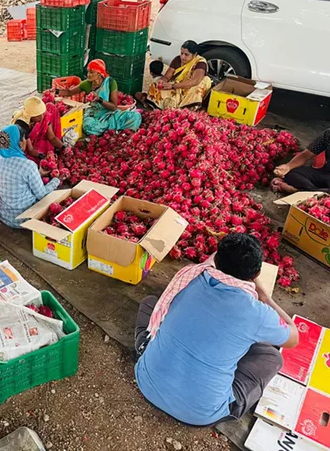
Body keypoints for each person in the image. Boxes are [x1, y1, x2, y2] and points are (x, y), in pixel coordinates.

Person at [134, 233, 299, 426]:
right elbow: (293, 338)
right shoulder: (258, 313)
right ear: (256, 275)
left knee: (151, 304)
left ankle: (144, 350)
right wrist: (265, 297)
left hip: (146, 381)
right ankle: (226, 405)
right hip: (198, 414)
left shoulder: (189, 277)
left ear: (217, 260)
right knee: (272, 357)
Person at [0, 124, 60, 228]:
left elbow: (17, 179)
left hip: (4, 215)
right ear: (19, 143)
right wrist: (57, 180)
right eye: (24, 138)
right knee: (53, 196)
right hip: (24, 219)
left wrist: (39, 173)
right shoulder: (28, 165)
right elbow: (41, 195)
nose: (26, 142)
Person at [56, 59, 141, 136]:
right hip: (94, 115)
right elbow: (69, 92)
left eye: (91, 72)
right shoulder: (87, 83)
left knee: (135, 116)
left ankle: (114, 131)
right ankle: (113, 130)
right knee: (88, 127)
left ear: (99, 73)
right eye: (88, 72)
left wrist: (100, 100)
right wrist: (55, 91)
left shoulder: (110, 83)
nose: (88, 75)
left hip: (110, 113)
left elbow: (114, 107)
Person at [145, 40, 212, 110]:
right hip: (176, 87)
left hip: (189, 89)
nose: (183, 57)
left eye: (186, 54)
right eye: (181, 53)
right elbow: (167, 76)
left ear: (195, 55)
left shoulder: (200, 62)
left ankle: (187, 108)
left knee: (204, 81)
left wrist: (173, 86)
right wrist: (162, 81)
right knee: (155, 85)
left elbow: (195, 81)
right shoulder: (177, 59)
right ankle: (165, 108)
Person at [272, 128, 330, 193]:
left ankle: (302, 191)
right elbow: (305, 155)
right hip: (325, 174)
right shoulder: (328, 134)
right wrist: (288, 166)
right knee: (291, 173)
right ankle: (313, 191)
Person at [12, 96, 64, 163]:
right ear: (31, 115)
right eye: (38, 115)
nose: (42, 117)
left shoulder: (43, 117)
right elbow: (30, 150)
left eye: (42, 114)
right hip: (26, 148)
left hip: (36, 141)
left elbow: (52, 137)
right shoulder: (22, 127)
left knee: (51, 106)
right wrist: (41, 156)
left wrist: (64, 147)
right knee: (32, 162)